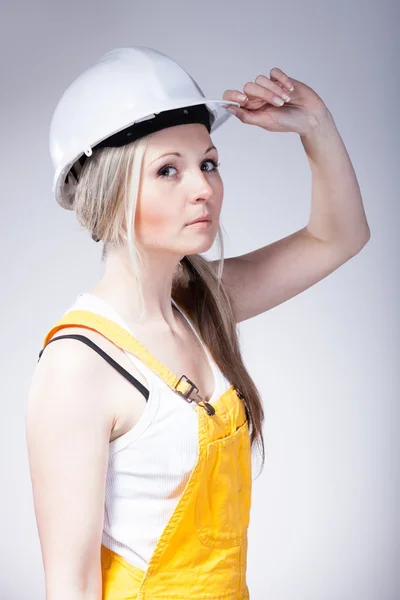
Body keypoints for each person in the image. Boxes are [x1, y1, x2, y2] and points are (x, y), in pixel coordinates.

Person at [26, 47, 370, 600]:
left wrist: (317, 127)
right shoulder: (78, 365)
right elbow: (70, 588)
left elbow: (339, 237)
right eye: (169, 170)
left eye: (208, 162)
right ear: (109, 193)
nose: (203, 187)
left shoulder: (200, 303)